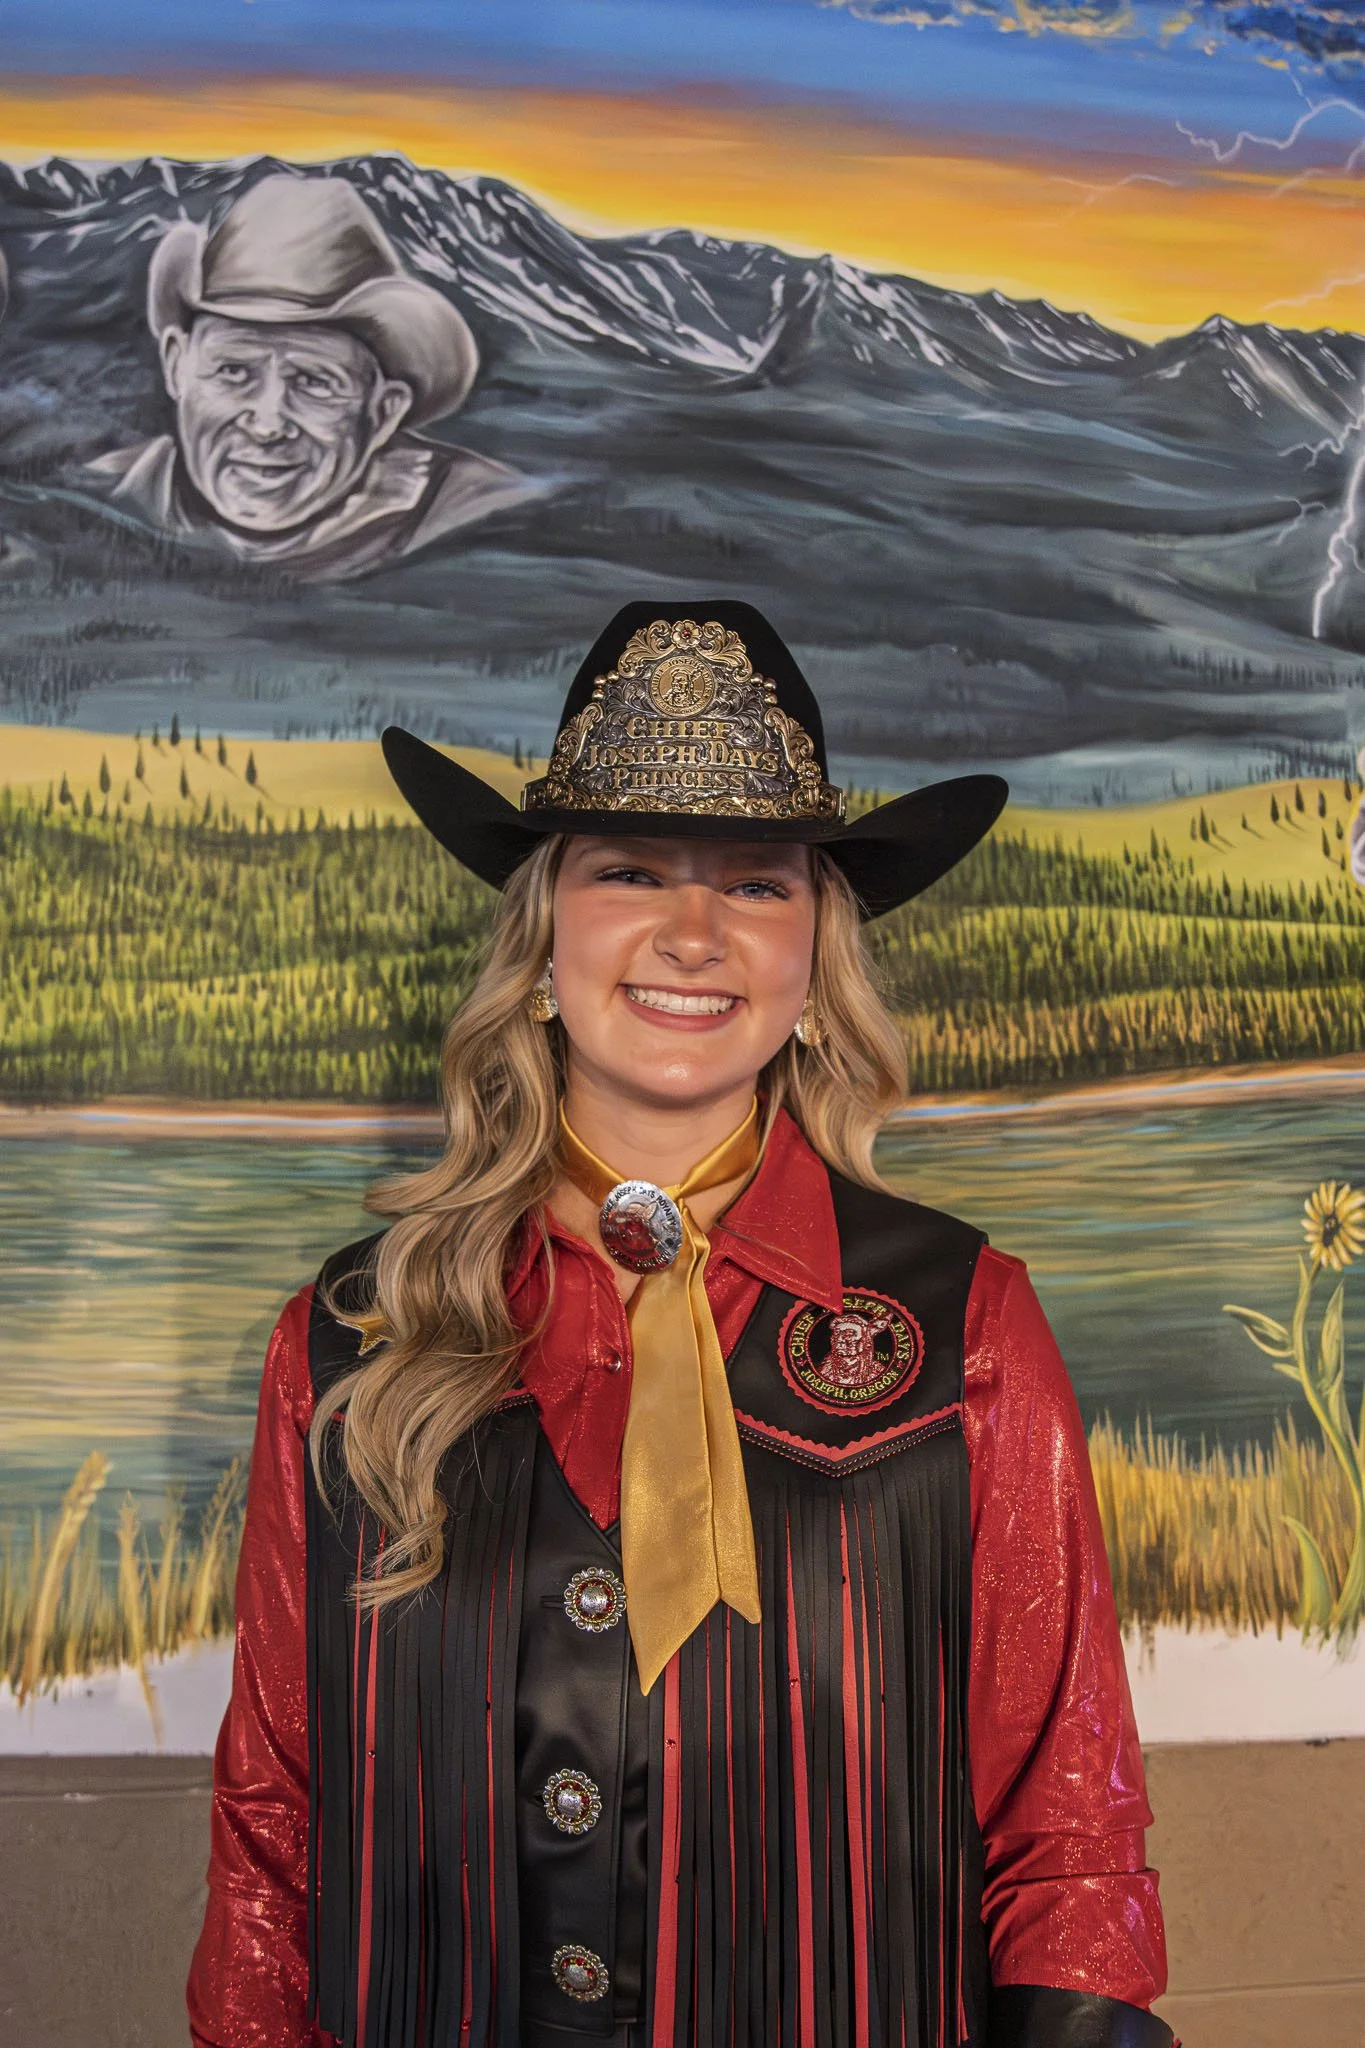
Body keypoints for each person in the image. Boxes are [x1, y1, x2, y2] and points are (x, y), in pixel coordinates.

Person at [187, 601, 1175, 2047]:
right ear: (541, 937)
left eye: (759, 885)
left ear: (812, 961)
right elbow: (276, 1811)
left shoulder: (962, 1328)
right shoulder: (351, 1336)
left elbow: (1064, 1824)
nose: (693, 934)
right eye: (631, 869)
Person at [86, 175, 537, 581]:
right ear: (176, 367)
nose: (267, 426)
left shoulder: (486, 519)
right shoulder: (98, 497)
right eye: (233, 372)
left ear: (383, 411)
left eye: (314, 383)